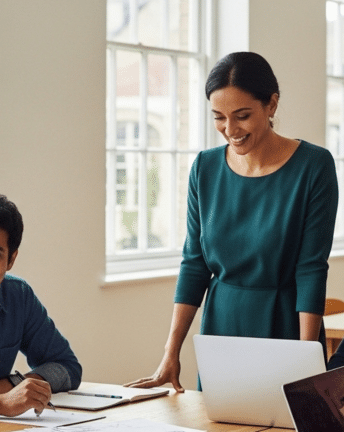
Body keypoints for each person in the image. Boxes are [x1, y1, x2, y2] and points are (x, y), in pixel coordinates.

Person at [125, 51, 338, 393]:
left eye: (242, 116)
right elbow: (194, 264)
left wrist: (305, 360)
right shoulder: (205, 168)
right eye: (219, 117)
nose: (230, 129)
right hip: (220, 329)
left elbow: (311, 269)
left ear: (271, 105)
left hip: (284, 324)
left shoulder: (314, 166)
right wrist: (171, 353)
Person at [0, 191, 82, 417]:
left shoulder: (18, 295)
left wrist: (13, 384)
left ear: (11, 260)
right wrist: (0, 403)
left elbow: (67, 367)